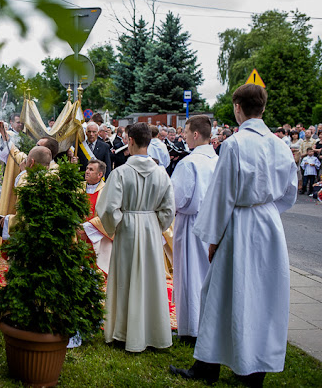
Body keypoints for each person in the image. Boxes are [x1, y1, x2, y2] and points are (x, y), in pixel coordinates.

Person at [170, 84, 298, 386]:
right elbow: (290, 193)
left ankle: (208, 367)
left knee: (217, 293)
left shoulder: (235, 144)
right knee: (262, 296)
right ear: (263, 108)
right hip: (268, 225)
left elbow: (222, 194)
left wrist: (213, 238)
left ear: (237, 107)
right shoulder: (280, 145)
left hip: (239, 224)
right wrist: (266, 209)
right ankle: (253, 371)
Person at [96, 122, 175, 353]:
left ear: (129, 141)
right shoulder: (161, 173)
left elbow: (109, 209)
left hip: (128, 227)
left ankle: (123, 332)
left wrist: (120, 224)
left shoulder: (120, 173)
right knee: (150, 279)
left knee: (125, 279)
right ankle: (152, 333)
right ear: (148, 142)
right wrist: (153, 224)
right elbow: (169, 209)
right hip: (150, 227)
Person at [169, 115, 219, 346]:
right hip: (214, 224)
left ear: (196, 135)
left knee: (189, 276)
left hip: (191, 224)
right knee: (209, 275)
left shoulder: (189, 163)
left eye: (186, 132)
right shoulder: (218, 160)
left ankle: (190, 329)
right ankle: (208, 325)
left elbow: (177, 198)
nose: (184, 136)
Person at [0, 146, 52, 239]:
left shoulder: (27, 185)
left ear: (31, 162)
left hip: (32, 239)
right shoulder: (54, 179)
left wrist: (8, 220)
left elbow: (24, 218)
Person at [80, 159, 112, 277]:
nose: (87, 171)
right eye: (87, 168)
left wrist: (87, 227)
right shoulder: (78, 188)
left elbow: (108, 216)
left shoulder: (107, 191)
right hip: (77, 234)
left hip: (97, 237)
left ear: (100, 175)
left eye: (91, 170)